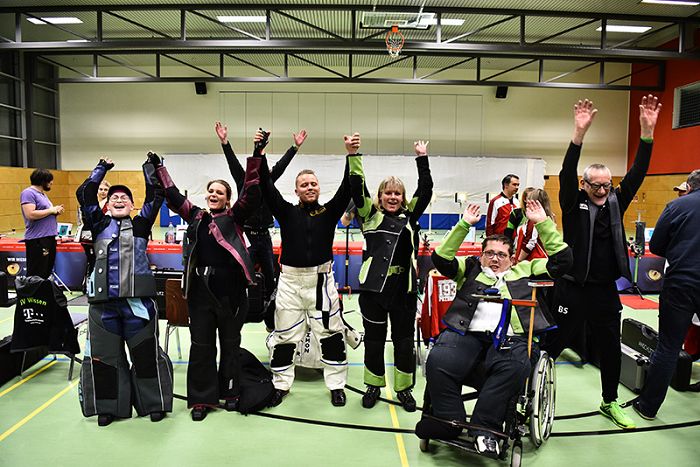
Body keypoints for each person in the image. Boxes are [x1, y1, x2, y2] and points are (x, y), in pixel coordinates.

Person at [416, 200, 572, 457]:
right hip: (467, 334)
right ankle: (449, 421)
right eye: (489, 253)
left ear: (511, 259)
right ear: (481, 255)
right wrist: (464, 224)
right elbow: (441, 259)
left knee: (516, 366)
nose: (495, 259)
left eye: (501, 255)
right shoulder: (471, 269)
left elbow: (563, 261)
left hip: (512, 339)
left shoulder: (527, 269)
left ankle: (485, 430)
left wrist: (542, 223)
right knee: (438, 359)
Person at [543, 95, 661, 430]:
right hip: (571, 289)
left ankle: (609, 402)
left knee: (610, 349)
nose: (602, 190)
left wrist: (647, 133)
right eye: (596, 185)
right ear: (585, 184)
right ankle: (526, 391)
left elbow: (638, 173)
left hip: (604, 292)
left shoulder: (615, 202)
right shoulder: (571, 201)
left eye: (607, 185)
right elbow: (566, 171)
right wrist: (578, 134)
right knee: (553, 345)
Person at [152, 148, 263, 421]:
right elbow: (173, 195)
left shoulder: (235, 218)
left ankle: (231, 392)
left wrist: (256, 154)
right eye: (210, 191)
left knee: (229, 345)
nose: (213, 195)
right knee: (201, 346)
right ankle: (202, 399)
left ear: (228, 200)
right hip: (200, 294)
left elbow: (252, 194)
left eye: (220, 192)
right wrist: (158, 167)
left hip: (232, 294)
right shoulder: (197, 217)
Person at [261, 130, 358, 407]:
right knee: (284, 337)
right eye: (304, 184)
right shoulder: (286, 212)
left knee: (330, 335)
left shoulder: (329, 212)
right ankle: (281, 385)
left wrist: (351, 155)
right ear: (296, 190)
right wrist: (261, 152)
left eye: (313, 183)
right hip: (290, 282)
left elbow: (347, 187)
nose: (310, 187)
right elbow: (267, 187)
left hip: (321, 281)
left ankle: (336, 385)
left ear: (318, 187)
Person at [76, 156, 173, 427]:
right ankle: (109, 408)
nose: (119, 199)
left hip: (139, 305)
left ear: (132, 205)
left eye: (125, 198)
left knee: (145, 355)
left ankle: (153, 404)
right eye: (114, 197)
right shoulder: (96, 223)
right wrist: (101, 169)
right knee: (105, 359)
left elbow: (157, 193)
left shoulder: (142, 225)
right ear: (107, 204)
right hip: (102, 307)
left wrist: (150, 167)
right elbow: (84, 193)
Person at [349, 140, 433, 412]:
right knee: (373, 341)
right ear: (380, 196)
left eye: (398, 193)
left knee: (404, 341)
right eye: (388, 193)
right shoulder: (369, 215)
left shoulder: (411, 215)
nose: (393, 197)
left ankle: (404, 389)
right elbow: (356, 187)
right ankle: (373, 385)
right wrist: (353, 156)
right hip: (374, 290)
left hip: (404, 290)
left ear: (403, 196)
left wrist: (422, 158)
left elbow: (426, 189)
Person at [215, 121, 307, 330]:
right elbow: (232, 163)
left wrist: (295, 148)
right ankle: (237, 316)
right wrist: (224, 142)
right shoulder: (242, 179)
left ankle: (271, 320)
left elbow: (281, 166)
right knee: (240, 277)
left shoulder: (268, 180)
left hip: (264, 237)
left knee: (271, 280)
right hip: (245, 236)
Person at [632, 169, 700, 419]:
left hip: (680, 282)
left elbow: (658, 246)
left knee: (669, 346)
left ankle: (648, 407)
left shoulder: (677, 206)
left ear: (689, 188)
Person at [20, 168, 65, 279]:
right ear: (42, 181)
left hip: (48, 237)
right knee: (36, 273)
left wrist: (55, 211)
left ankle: (43, 295)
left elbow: (44, 213)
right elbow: (30, 214)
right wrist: (51, 210)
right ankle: (32, 296)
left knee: (46, 271)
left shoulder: (42, 195)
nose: (51, 183)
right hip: (38, 239)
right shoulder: (28, 193)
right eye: (49, 181)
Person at [512, 189, 555, 263]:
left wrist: (519, 259)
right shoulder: (550, 216)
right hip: (544, 258)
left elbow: (530, 243)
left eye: (529, 201)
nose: (527, 204)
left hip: (533, 260)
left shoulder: (534, 220)